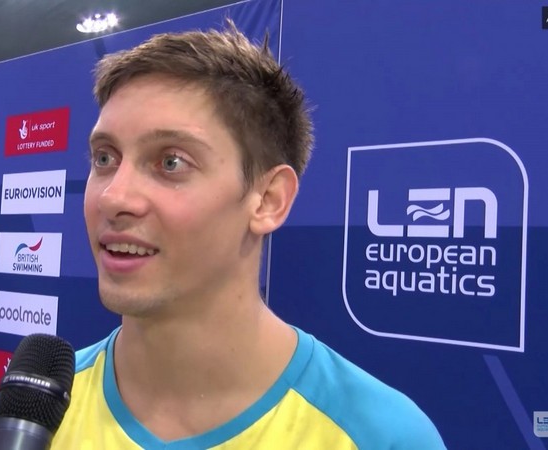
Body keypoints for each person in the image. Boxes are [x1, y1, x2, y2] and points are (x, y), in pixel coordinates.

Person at [52, 21, 445, 449]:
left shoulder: (378, 435)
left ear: (268, 200)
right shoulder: (46, 407)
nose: (113, 197)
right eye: (105, 158)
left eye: (171, 163)